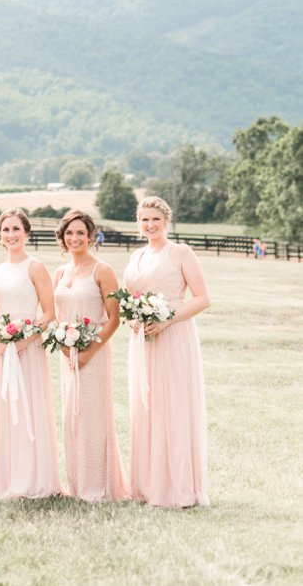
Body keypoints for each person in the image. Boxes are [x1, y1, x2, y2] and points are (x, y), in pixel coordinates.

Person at [124, 195, 209, 507]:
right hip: (142, 341)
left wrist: (167, 320)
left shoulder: (181, 252)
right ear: (138, 222)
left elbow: (202, 298)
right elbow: (130, 297)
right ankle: (148, 483)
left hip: (173, 336)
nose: (150, 225)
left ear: (166, 221)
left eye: (155, 220)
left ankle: (176, 487)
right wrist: (132, 318)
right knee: (145, 406)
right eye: (144, 220)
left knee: (171, 405)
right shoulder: (136, 255)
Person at [52, 208, 128, 502]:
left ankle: (98, 486)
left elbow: (113, 318)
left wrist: (89, 351)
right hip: (66, 353)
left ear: (91, 236)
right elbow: (56, 316)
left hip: (93, 352)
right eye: (69, 233)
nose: (75, 238)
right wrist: (63, 345)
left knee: (93, 417)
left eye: (81, 233)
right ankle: (78, 484)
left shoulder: (102, 271)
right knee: (72, 417)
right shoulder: (59, 272)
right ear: (62, 237)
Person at [0, 208, 61, 499]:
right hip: (3, 352)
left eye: (16, 229)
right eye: (6, 229)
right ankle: (7, 478)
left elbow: (50, 312)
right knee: (6, 409)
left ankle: (33, 478)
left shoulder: (35, 267)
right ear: (0, 235)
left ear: (26, 233)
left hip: (28, 350)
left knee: (29, 408)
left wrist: (24, 340)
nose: (11, 235)